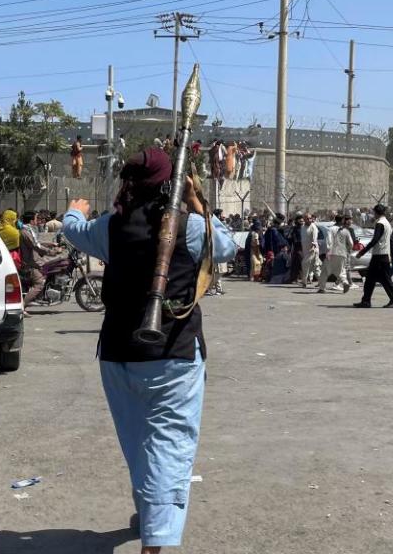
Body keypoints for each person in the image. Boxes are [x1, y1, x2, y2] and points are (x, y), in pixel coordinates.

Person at [61, 147, 236, 552]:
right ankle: (155, 543)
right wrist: (195, 200)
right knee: (169, 446)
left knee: (139, 442)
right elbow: (225, 247)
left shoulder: (110, 226)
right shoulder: (189, 225)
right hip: (174, 355)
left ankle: (148, 514)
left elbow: (74, 230)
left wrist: (74, 209)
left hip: (119, 355)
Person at [353, 204, 393, 308]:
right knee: (370, 279)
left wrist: (362, 252)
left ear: (376, 212)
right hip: (383, 255)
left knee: (384, 279)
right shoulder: (387, 223)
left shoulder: (380, 223)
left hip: (379, 255)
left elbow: (375, 240)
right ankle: (366, 300)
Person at [19, 211, 55, 315]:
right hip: (30, 263)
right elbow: (35, 245)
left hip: (34, 260)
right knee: (39, 284)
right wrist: (50, 251)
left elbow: (37, 242)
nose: (37, 220)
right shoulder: (25, 232)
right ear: (31, 220)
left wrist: (50, 244)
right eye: (36, 218)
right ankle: (22, 307)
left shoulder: (28, 230)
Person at [319, 215, 354, 293]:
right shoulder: (346, 231)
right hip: (342, 254)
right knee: (341, 271)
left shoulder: (330, 229)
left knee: (325, 270)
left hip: (331, 253)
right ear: (342, 221)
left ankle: (322, 288)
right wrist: (347, 250)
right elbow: (351, 243)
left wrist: (328, 251)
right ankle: (345, 282)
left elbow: (329, 241)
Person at [300, 213, 322, 287]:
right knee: (315, 267)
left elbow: (314, 239)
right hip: (305, 251)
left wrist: (312, 247)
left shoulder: (313, 227)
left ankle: (304, 282)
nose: (309, 220)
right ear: (304, 219)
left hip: (312, 250)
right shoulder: (303, 227)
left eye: (310, 218)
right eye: (307, 219)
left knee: (305, 264)